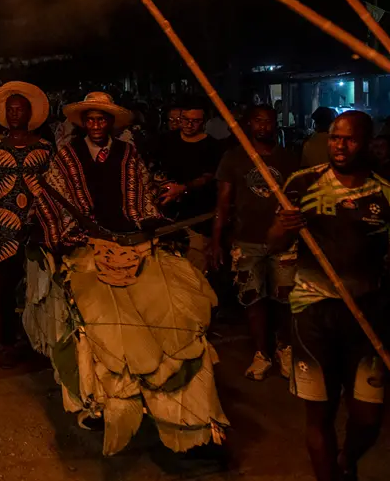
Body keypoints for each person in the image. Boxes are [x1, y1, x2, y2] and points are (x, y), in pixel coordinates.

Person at [30, 92, 228, 456]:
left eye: (102, 120)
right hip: (86, 242)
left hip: (131, 237)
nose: (96, 125)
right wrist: (70, 234)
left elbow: (141, 195)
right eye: (90, 119)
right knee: (96, 320)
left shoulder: (128, 153)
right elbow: (53, 193)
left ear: (111, 124)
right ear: (82, 123)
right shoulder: (67, 155)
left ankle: (187, 405)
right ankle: (102, 398)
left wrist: (147, 219)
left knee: (171, 311)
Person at [270, 110, 388, 481]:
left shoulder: (384, 191)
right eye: (335, 138)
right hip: (312, 311)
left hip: (366, 314)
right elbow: (272, 242)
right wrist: (285, 226)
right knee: (320, 415)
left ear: (367, 142)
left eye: (350, 139)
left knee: (369, 419)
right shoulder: (303, 183)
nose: (340, 146)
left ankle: (346, 465)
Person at [210, 105, 298, 382]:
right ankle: (262, 353)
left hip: (284, 242)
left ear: (276, 124)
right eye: (258, 121)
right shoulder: (234, 158)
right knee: (253, 299)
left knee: (285, 299)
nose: (264, 126)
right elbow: (223, 203)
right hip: (245, 240)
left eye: (269, 121)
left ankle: (285, 348)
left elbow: (300, 199)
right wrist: (216, 241)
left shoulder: (290, 159)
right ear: (248, 124)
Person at [0, 82, 53, 367]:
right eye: (11, 110)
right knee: (6, 287)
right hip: (3, 230)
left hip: (37, 228)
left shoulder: (45, 149)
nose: (15, 114)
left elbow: (54, 191)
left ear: (30, 113)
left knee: (38, 288)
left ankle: (37, 343)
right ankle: (8, 342)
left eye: (20, 109)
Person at [156, 100, 224, 271]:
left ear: (204, 122)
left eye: (194, 121)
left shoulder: (213, 147)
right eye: (185, 119)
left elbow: (209, 177)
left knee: (197, 268)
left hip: (199, 218)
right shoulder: (166, 141)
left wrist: (184, 188)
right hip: (168, 218)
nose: (188, 124)